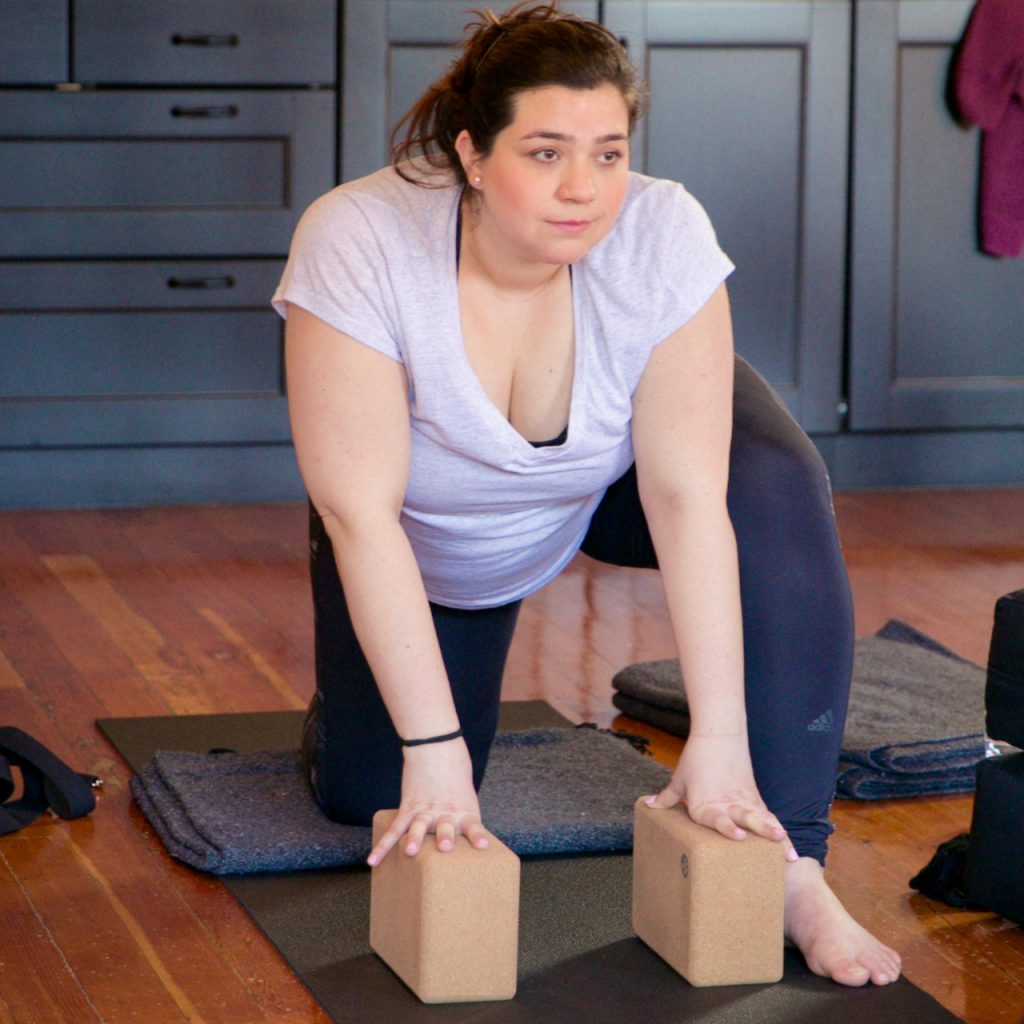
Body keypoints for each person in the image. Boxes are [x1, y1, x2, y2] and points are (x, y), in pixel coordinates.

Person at [273, 1, 901, 988]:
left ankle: (792, 864)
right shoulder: (359, 238)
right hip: (433, 535)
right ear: (473, 153)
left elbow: (690, 498)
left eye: (608, 154)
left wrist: (723, 745)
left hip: (607, 482)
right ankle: (357, 723)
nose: (584, 189)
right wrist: (432, 752)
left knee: (772, 481)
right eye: (547, 152)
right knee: (375, 792)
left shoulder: (661, 233)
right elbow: (360, 513)